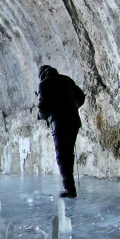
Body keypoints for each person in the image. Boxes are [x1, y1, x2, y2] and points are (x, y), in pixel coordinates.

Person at [37, 65, 85, 198]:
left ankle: (70, 188)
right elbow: (81, 97)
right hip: (74, 121)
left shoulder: (43, 84)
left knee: (62, 156)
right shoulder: (67, 80)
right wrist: (73, 107)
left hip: (58, 123)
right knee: (69, 152)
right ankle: (70, 185)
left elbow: (42, 106)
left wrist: (45, 115)